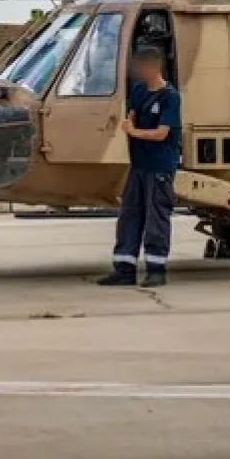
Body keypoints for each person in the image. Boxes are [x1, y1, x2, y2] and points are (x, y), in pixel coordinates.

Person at [98, 46, 182, 288]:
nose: (139, 72)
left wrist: (134, 132)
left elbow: (162, 133)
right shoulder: (138, 90)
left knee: (156, 216)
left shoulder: (170, 97)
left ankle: (157, 268)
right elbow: (132, 112)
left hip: (159, 167)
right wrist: (129, 122)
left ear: (154, 68)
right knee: (129, 214)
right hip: (139, 166)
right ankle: (124, 267)